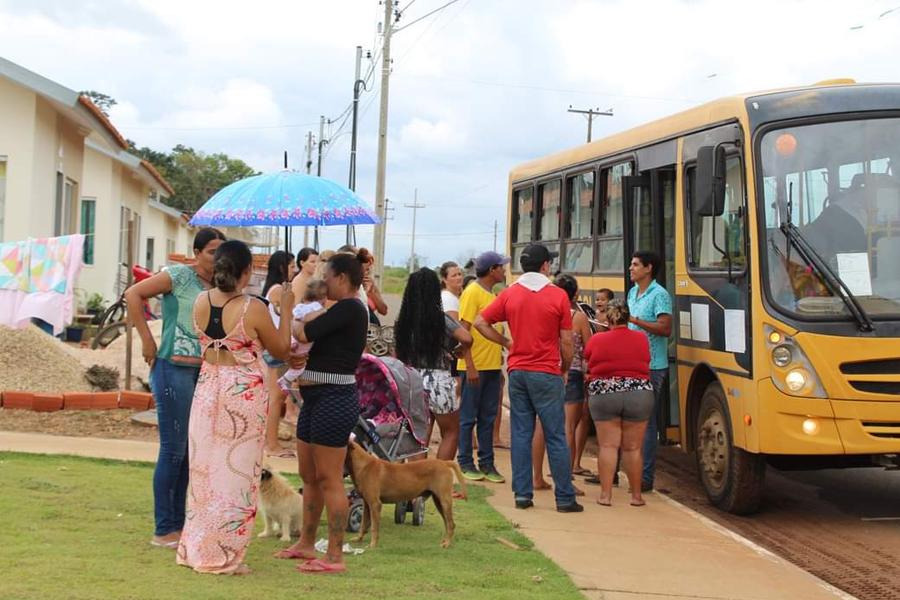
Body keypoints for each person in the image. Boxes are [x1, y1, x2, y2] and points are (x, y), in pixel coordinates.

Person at [177, 240, 296, 574]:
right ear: (247, 271)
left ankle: (197, 548)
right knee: (236, 476)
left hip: (207, 390)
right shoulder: (252, 308)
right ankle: (222, 555)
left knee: (203, 473)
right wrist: (286, 309)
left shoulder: (200, 301)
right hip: (240, 395)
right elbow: (282, 349)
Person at [125, 227, 226, 550]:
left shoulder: (221, 286)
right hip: (172, 368)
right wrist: (146, 339)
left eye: (221, 251)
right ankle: (164, 528)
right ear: (197, 252)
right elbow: (133, 294)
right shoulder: (179, 276)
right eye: (211, 251)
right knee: (173, 449)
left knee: (189, 451)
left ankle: (178, 525)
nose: (217, 257)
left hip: (204, 372)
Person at [276, 251, 369, 574]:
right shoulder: (337, 309)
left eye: (326, 276)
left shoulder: (351, 309)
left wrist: (289, 309)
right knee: (309, 475)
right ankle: (305, 542)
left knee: (330, 478)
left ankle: (334, 554)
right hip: (314, 397)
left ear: (342, 278)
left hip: (334, 398)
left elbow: (303, 334)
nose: (322, 282)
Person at [475, 243, 583, 513]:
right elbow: (567, 340)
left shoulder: (510, 294)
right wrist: (565, 367)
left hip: (518, 371)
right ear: (545, 266)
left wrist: (506, 343)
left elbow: (479, 323)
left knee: (521, 434)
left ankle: (522, 495)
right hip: (547, 372)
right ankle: (565, 498)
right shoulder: (558, 296)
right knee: (555, 435)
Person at [395, 268, 473, 461]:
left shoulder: (403, 320)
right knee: (450, 432)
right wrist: (458, 351)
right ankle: (438, 478)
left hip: (410, 379)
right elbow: (467, 337)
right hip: (437, 379)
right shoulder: (439, 318)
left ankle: (416, 481)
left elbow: (397, 354)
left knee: (417, 436)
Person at [583, 299, 653, 506]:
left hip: (605, 394)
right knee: (633, 448)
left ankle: (606, 495)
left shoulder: (597, 339)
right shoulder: (641, 338)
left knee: (608, 446)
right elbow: (646, 361)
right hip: (638, 393)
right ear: (627, 317)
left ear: (607, 317)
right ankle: (637, 496)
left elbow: (588, 360)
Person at [455, 251, 509, 484]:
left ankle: (487, 463)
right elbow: (462, 331)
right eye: (501, 267)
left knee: (488, 417)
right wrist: (469, 365)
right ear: (491, 270)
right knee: (468, 418)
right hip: (473, 367)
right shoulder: (472, 293)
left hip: (492, 367)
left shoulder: (492, 294)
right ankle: (465, 462)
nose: (504, 271)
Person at [627, 251, 672, 493]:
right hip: (632, 364)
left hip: (652, 366)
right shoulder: (633, 293)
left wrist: (635, 319)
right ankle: (635, 473)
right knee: (633, 422)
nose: (631, 268)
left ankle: (645, 477)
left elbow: (665, 329)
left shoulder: (660, 295)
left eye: (635, 265)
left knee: (646, 422)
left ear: (648, 268)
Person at [261, 250, 298, 459]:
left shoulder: (277, 289)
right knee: (276, 399)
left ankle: (271, 442)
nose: (294, 270)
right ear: (283, 268)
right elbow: (289, 315)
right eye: (292, 266)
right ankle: (272, 444)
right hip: (276, 349)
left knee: (278, 398)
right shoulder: (278, 291)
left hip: (279, 348)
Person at [575, 288, 614, 481]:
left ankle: (574, 464)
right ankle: (574, 464)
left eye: (603, 299)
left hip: (594, 371)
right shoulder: (586, 315)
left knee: (585, 416)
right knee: (584, 416)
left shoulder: (592, 315)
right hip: (590, 372)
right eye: (597, 299)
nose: (599, 302)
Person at [277, 279, 328, 394]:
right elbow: (307, 318)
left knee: (295, 365)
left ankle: (285, 381)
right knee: (299, 367)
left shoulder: (300, 306)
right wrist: (322, 313)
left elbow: (294, 316)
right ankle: (283, 381)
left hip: (292, 340)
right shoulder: (316, 307)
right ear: (323, 298)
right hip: (302, 345)